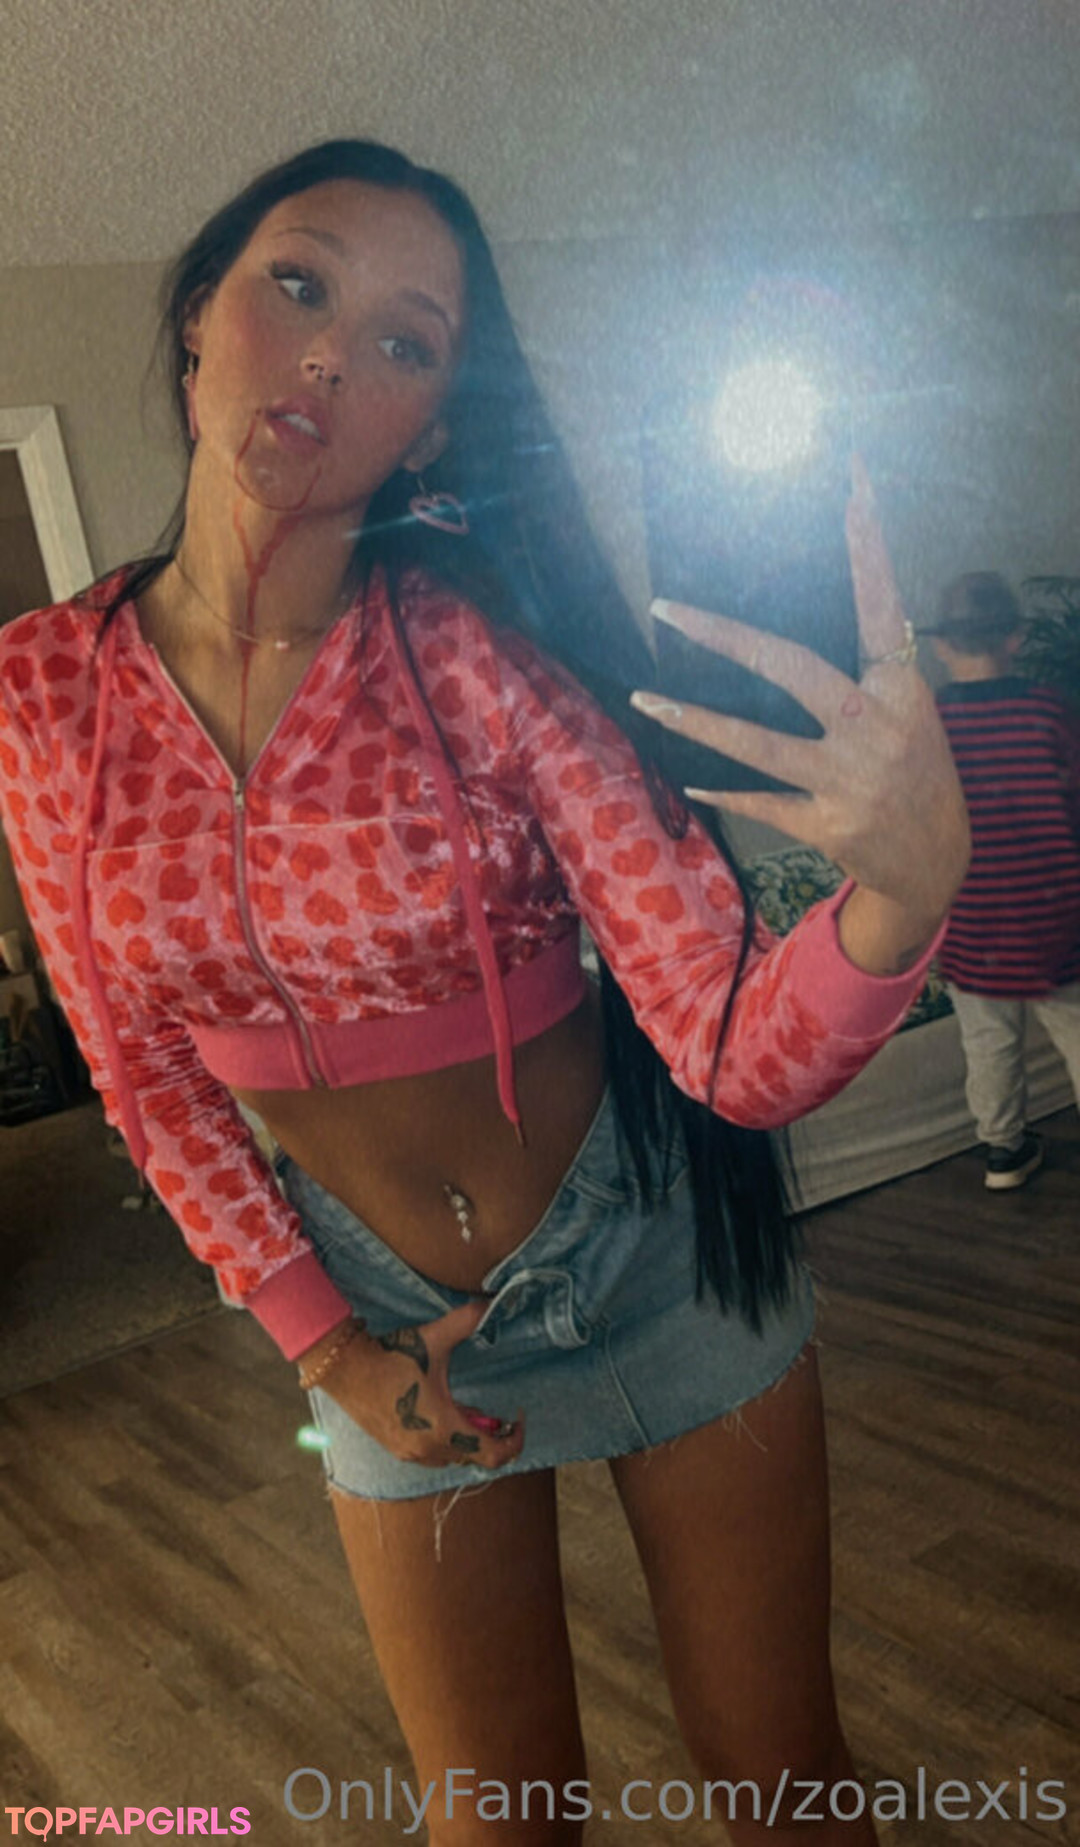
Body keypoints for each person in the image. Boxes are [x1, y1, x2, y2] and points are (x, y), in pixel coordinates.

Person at [0, 140, 969, 1845]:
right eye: (298, 284)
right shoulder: (40, 691)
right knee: (495, 1817)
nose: (329, 354)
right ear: (197, 318)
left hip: (658, 1258)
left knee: (786, 1784)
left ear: (434, 426)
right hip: (381, 1314)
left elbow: (733, 1051)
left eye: (405, 341)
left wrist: (901, 897)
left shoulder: (484, 657)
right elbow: (140, 1072)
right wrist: (326, 1347)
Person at [925, 572, 1080, 1191]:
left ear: (942, 645)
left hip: (972, 922)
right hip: (1056, 915)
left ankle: (1003, 1151)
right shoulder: (1047, 710)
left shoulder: (933, 723)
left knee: (989, 1042)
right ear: (1016, 637)